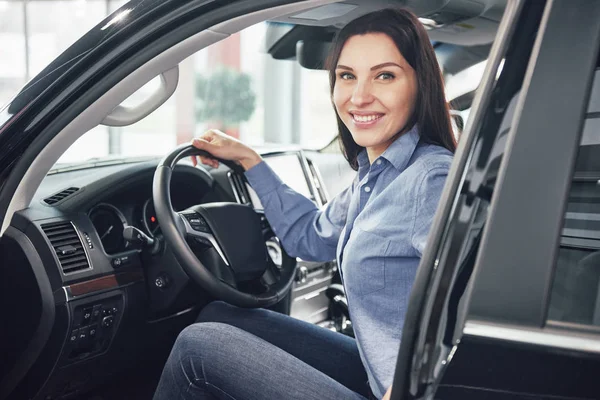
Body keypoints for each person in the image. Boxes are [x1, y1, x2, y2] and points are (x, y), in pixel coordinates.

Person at [153, 7, 455, 400]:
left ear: (421, 84)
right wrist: (250, 161)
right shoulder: (379, 174)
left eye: (384, 75)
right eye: (347, 76)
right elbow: (307, 237)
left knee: (198, 348)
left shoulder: (431, 179)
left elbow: (466, 316)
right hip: (379, 374)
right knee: (221, 316)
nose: (359, 96)